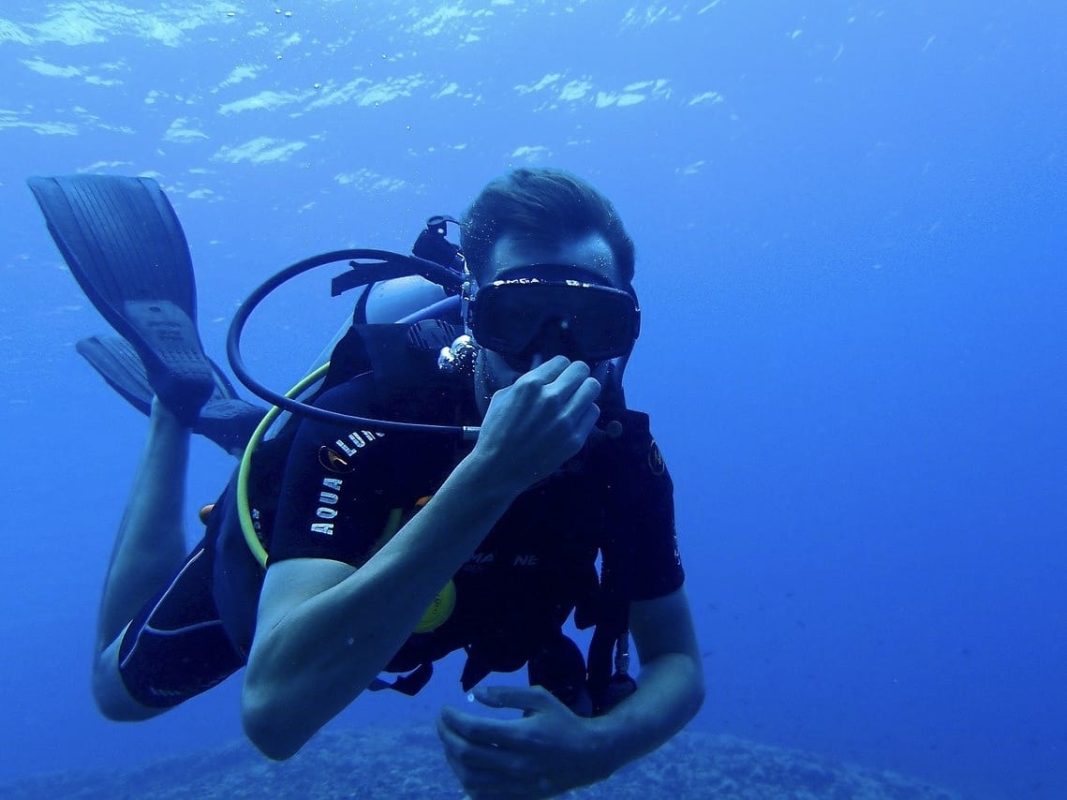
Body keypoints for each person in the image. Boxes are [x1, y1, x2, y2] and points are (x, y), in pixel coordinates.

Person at [30, 167, 704, 798]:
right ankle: (174, 406)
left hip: (409, 587)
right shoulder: (368, 418)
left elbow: (676, 659)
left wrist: (602, 747)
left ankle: (225, 419)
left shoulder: (621, 458)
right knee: (116, 696)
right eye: (515, 316)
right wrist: (491, 476)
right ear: (473, 314)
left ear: (627, 329)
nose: (549, 354)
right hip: (312, 510)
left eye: (592, 322)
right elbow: (273, 719)